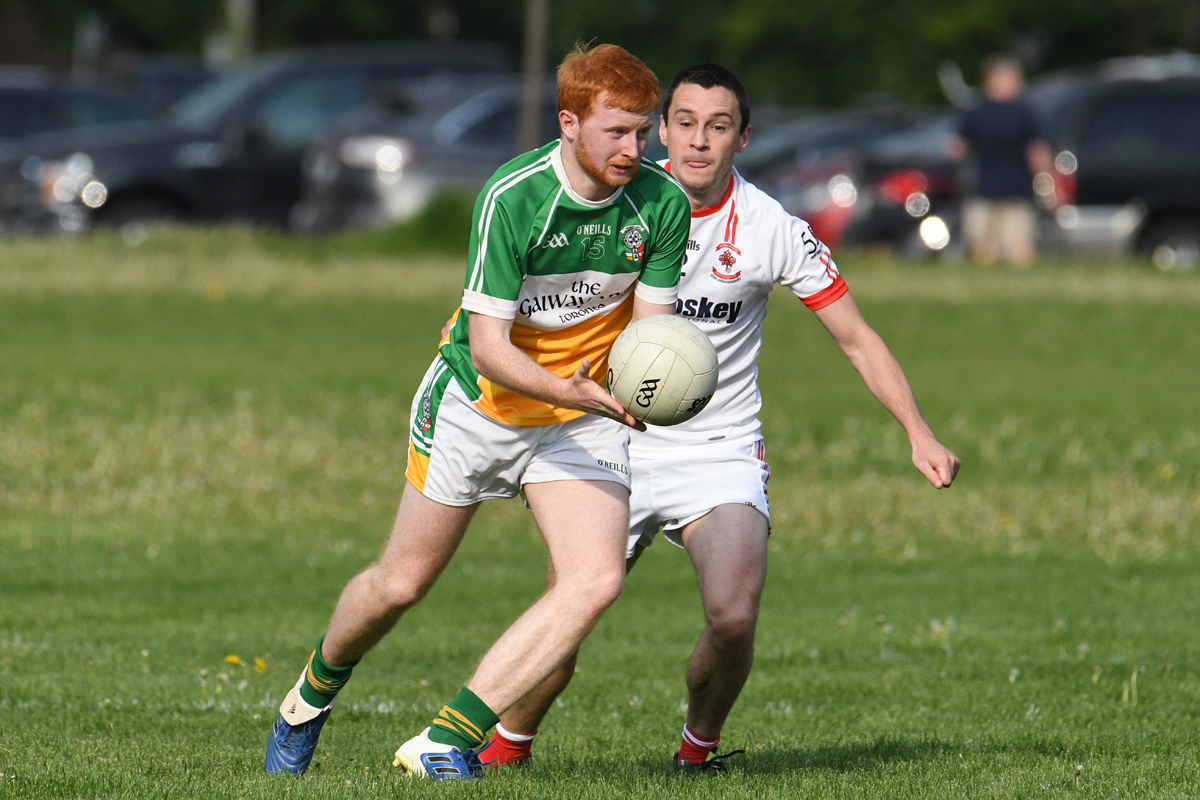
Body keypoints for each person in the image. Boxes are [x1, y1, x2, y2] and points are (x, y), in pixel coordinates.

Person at [476, 63, 961, 772]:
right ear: (662, 128)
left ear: (743, 138)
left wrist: (918, 431)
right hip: (609, 437)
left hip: (719, 446)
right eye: (685, 123)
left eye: (719, 126)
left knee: (734, 616)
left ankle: (696, 753)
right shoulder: (617, 202)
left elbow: (857, 338)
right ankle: (505, 750)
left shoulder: (771, 228)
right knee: (570, 610)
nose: (699, 141)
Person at [263, 43, 691, 781]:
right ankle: (308, 699)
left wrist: (648, 387)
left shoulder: (662, 203)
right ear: (569, 123)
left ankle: (444, 743)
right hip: (479, 404)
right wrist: (575, 389)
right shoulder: (513, 197)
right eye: (616, 131)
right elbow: (490, 347)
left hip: (577, 419)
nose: (635, 148)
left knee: (594, 581)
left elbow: (652, 336)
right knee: (401, 584)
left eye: (643, 131)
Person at [949, 54, 1054, 266]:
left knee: (989, 251)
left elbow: (955, 150)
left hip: (992, 192)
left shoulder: (975, 113)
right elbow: (1039, 155)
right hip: (1004, 192)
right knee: (1016, 250)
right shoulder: (1024, 114)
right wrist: (1051, 188)